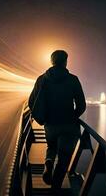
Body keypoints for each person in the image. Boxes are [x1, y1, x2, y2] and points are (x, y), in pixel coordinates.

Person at [29, 50, 86, 192]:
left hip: (50, 124)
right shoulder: (73, 79)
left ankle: (48, 163)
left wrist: (42, 118)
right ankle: (55, 189)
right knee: (64, 159)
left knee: (52, 146)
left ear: (51, 61)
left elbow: (32, 102)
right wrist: (73, 116)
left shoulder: (41, 79)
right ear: (65, 61)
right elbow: (81, 105)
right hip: (68, 125)